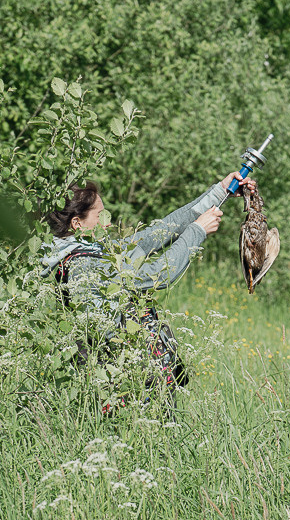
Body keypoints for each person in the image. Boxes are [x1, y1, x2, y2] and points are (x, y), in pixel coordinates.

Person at [37, 171, 253, 411]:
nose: (109, 222)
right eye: (101, 215)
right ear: (77, 223)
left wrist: (221, 191)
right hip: (124, 387)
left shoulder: (98, 251)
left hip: (134, 377)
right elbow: (160, 273)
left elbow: (160, 231)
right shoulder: (86, 263)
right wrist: (197, 231)